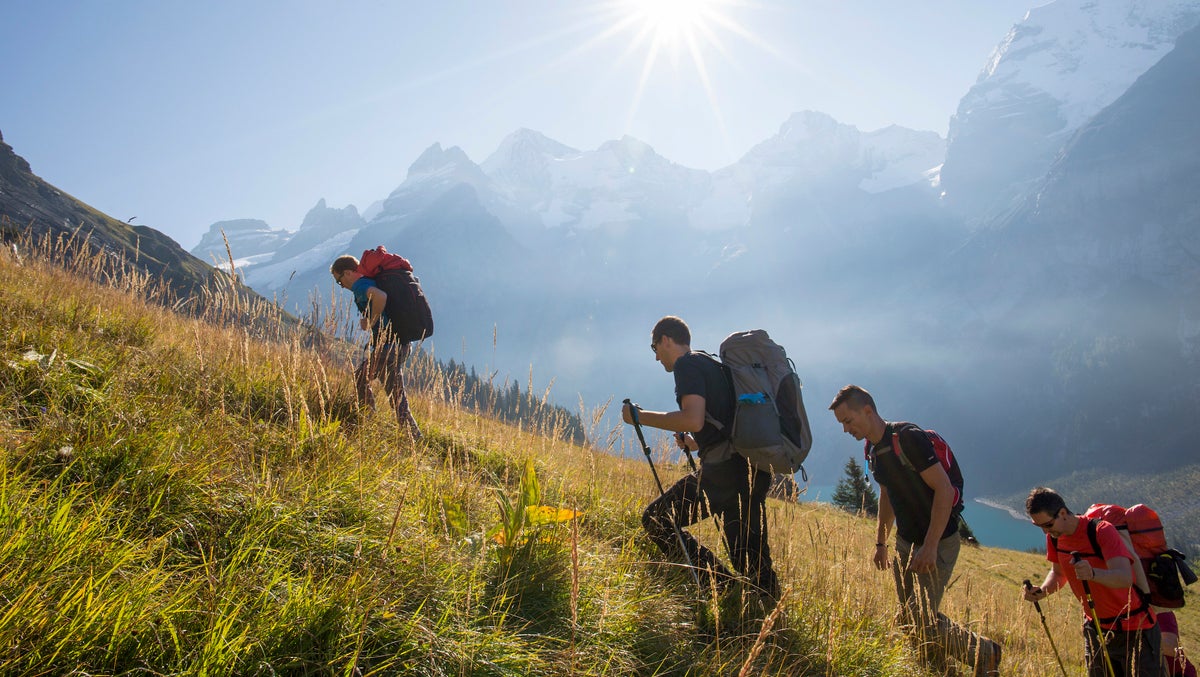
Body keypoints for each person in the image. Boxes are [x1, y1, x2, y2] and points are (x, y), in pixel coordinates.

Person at [830, 384, 1000, 676]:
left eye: (848, 421)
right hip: (906, 542)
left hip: (939, 540)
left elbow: (944, 491)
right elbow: (887, 495)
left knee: (920, 616)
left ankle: (986, 653)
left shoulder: (907, 439)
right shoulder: (873, 449)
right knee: (911, 616)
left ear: (867, 411)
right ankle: (934, 664)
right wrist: (881, 543)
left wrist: (931, 546)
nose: (846, 430)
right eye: (842, 424)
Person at [621, 316, 779, 600]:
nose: (656, 357)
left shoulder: (686, 365)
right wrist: (696, 443)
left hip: (724, 474)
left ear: (666, 339)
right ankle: (765, 612)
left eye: (654, 347)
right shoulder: (710, 362)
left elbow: (692, 418)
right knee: (751, 557)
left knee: (656, 520)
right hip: (750, 468)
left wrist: (639, 417)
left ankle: (722, 587)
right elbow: (720, 420)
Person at [1023, 487, 1163, 676]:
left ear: (1063, 513)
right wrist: (1042, 592)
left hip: (1136, 630)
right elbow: (1058, 574)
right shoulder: (1055, 537)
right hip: (1096, 628)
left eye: (1047, 525)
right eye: (1038, 526)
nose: (1044, 531)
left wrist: (1093, 574)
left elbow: (1125, 577)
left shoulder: (1101, 531)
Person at [330, 255, 422, 440]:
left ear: (348, 273)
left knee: (360, 377)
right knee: (396, 395)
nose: (342, 286)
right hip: (401, 344)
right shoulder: (372, 281)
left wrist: (371, 319)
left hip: (388, 347)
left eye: (340, 281)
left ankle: (368, 421)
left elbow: (381, 296)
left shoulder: (360, 286)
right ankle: (414, 437)